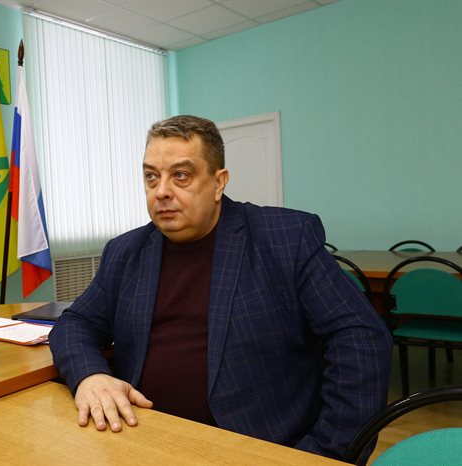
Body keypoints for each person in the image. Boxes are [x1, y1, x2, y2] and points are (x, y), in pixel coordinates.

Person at [48, 115, 392, 460]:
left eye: (180, 175)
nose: (161, 190)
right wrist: (90, 375)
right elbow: (75, 323)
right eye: (151, 176)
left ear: (218, 183)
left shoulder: (285, 238)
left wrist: (325, 453)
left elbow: (361, 338)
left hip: (258, 450)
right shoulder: (126, 251)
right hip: (142, 437)